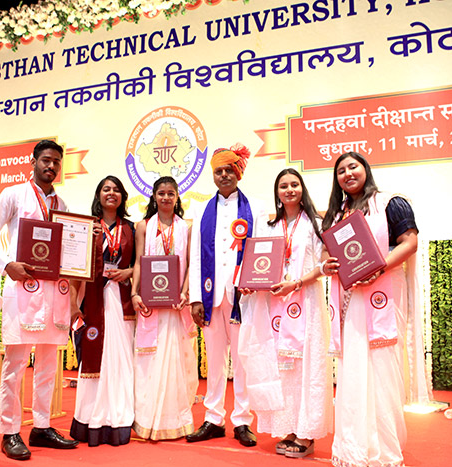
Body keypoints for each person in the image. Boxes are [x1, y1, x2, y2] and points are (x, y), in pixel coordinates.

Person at [0, 140, 79, 461]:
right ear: (33, 161)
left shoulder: (61, 203)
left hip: (54, 292)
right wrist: (7, 264)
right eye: (46, 160)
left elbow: (69, 247)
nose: (51, 166)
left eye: (56, 162)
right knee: (16, 365)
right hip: (23, 288)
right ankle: (10, 431)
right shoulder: (13, 195)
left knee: (48, 365)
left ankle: (42, 427)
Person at [323, 152, 418, 467]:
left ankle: (384, 452)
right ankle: (354, 448)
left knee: (380, 370)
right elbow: (328, 254)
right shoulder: (338, 214)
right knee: (353, 371)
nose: (348, 173)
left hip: (382, 297)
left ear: (365, 169)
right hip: (350, 300)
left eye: (353, 166)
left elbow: (409, 243)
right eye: (341, 170)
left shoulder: (391, 203)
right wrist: (328, 264)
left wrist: (378, 268)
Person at [238, 168, 332, 458]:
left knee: (307, 368)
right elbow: (259, 265)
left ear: (302, 189)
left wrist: (298, 282)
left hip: (307, 301)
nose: (289, 190)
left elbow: (325, 263)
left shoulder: (317, 223)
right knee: (282, 369)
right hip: (276, 304)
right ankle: (290, 427)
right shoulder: (268, 227)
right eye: (283, 186)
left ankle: (306, 432)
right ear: (277, 193)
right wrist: (250, 284)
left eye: (294, 184)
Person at [187, 144, 265, 447]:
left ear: (238, 173)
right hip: (210, 297)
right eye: (218, 171)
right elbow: (196, 256)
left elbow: (260, 251)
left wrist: (254, 284)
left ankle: (243, 420)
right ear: (213, 175)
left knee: (243, 360)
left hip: (242, 297)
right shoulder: (201, 209)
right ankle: (213, 419)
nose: (223, 175)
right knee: (215, 361)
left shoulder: (255, 207)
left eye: (228, 170)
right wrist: (196, 297)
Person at [69, 175, 136, 447]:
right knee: (95, 358)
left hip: (122, 302)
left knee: (120, 360)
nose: (111, 193)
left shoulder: (131, 228)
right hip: (94, 301)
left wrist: (128, 272)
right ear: (98, 195)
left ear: (123, 196)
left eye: (116, 189)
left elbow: (139, 264)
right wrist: (73, 305)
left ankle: (119, 420)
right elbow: (74, 269)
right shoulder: (87, 227)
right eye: (106, 189)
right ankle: (90, 419)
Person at [130, 176, 198, 440]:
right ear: (154, 196)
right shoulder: (143, 226)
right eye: (161, 193)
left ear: (177, 196)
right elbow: (138, 262)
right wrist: (135, 293)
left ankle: (175, 419)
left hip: (176, 306)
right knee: (150, 361)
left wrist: (184, 293)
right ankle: (146, 419)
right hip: (151, 306)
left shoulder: (186, 227)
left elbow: (190, 264)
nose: (166, 197)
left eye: (171, 193)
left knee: (177, 362)